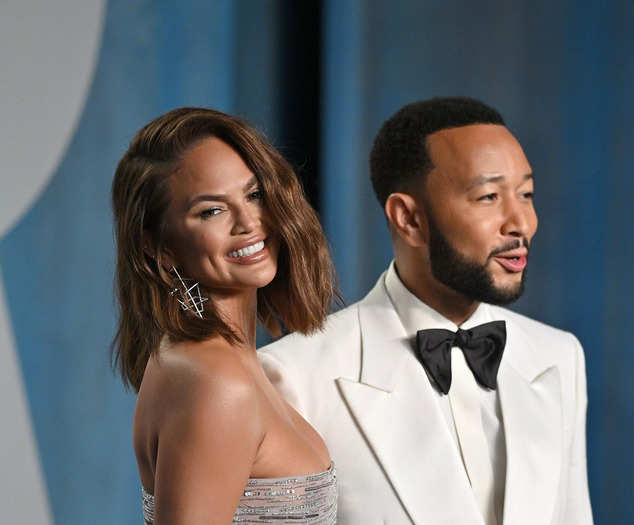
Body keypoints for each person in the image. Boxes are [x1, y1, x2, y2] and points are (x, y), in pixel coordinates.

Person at [259, 97, 594, 524]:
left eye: (526, 193)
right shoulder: (293, 378)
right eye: (489, 196)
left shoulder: (559, 356)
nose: (521, 223)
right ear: (408, 218)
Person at [111, 107, 339, 524]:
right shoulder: (215, 380)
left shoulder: (206, 361)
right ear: (159, 247)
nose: (249, 222)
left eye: (253, 195)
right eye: (211, 211)